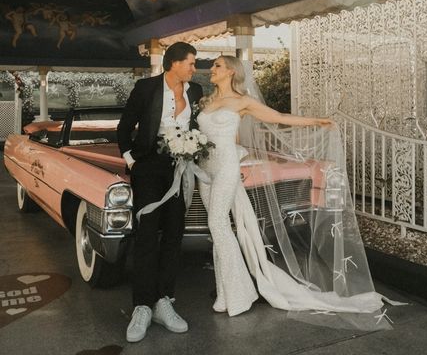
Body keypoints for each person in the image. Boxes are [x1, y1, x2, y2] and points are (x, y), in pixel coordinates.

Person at [197, 55, 389, 327]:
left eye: (216, 65)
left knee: (217, 224)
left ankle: (239, 294)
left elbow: (279, 117)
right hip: (204, 169)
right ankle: (225, 294)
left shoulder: (243, 102)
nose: (211, 70)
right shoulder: (206, 101)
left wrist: (316, 121)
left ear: (230, 71)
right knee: (220, 231)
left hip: (227, 166)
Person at [117, 41, 203, 343]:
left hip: (181, 170)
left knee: (174, 234)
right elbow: (124, 128)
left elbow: (195, 127)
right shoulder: (146, 88)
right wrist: (133, 164)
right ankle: (142, 306)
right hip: (148, 170)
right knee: (146, 234)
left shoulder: (195, 92)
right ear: (174, 63)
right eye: (191, 63)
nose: (194, 68)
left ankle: (165, 300)